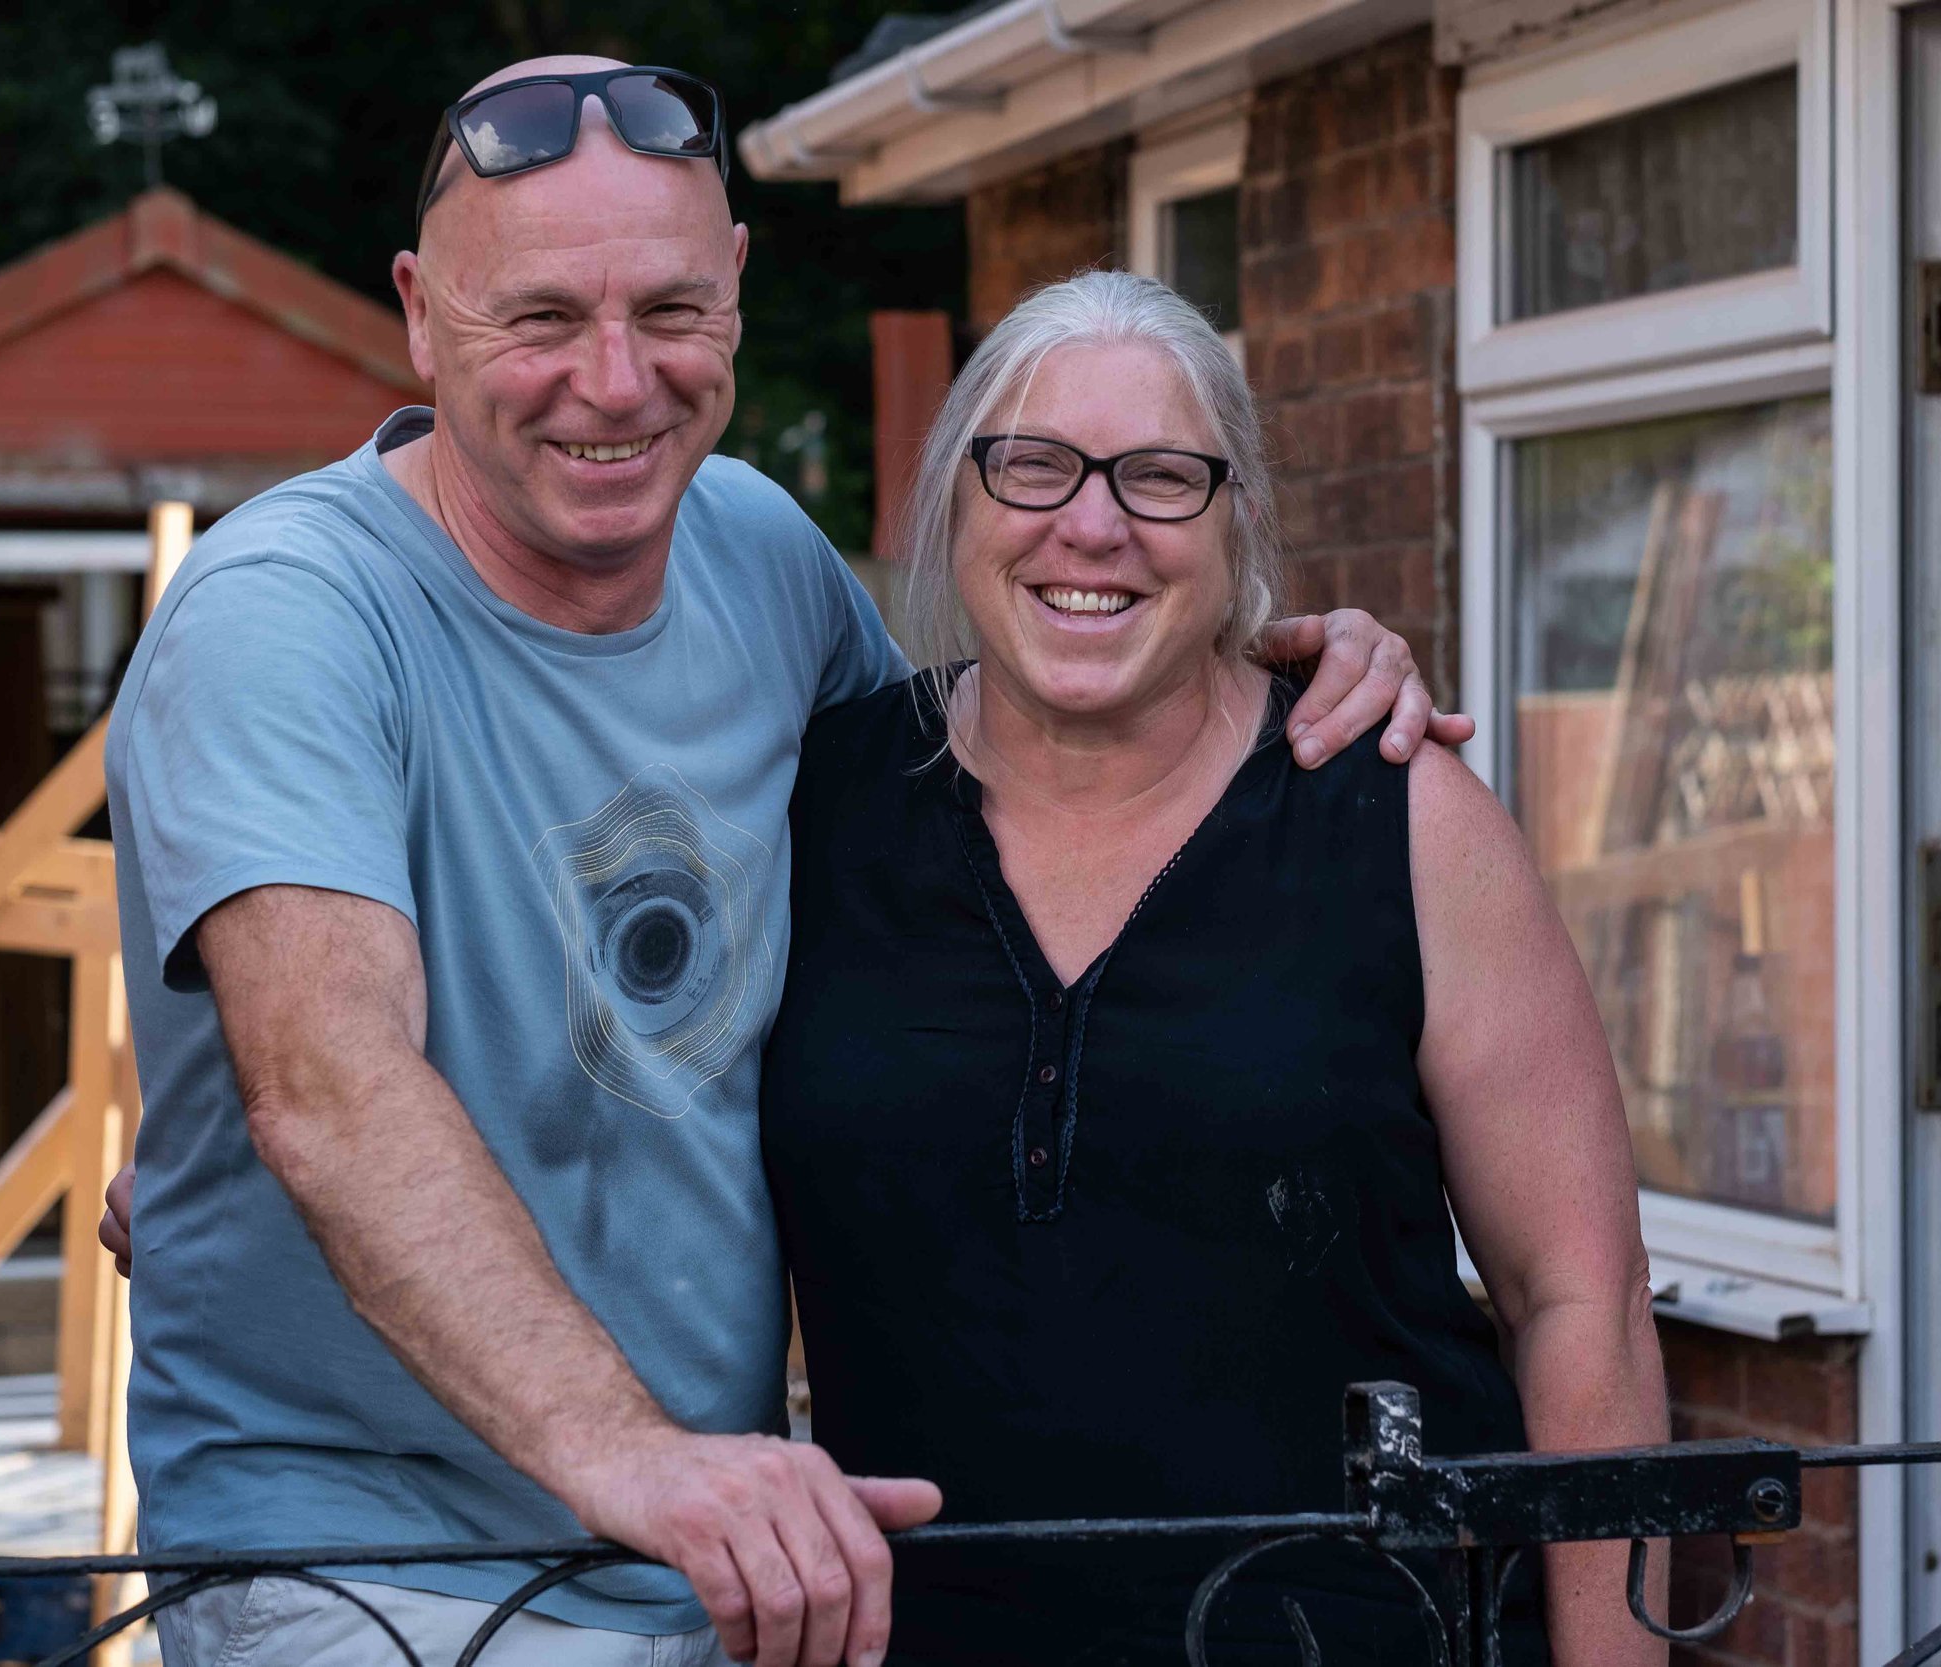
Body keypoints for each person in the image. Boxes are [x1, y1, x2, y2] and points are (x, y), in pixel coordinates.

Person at [98, 55, 1458, 1667]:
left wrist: (1258, 664)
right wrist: (629, 1458)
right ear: (417, 315)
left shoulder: (760, 559)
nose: (615, 381)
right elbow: (330, 1086)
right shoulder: (286, 618)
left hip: (734, 1561)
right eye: (538, 319)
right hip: (371, 1567)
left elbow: (972, 847)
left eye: (670, 311)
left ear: (738, 285)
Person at [760, 270, 1670, 1666]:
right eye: (1034, 465)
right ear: (954, 502)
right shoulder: (816, 808)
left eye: (1162, 478)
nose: (1094, 523)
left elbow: (1581, 1302)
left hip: (1365, 1638)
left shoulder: (1400, 817)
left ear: (1238, 523)